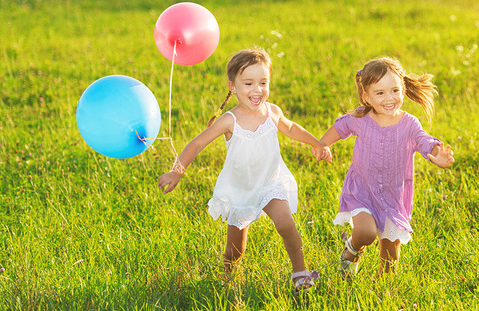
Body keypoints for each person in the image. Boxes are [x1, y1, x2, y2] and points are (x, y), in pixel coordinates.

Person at [158, 47, 331, 294]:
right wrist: (177, 171)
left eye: (263, 82)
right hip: (240, 189)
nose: (257, 89)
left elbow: (291, 128)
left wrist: (317, 143)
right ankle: (229, 281)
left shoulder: (272, 111)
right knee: (234, 249)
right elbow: (197, 143)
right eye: (248, 83)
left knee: (286, 224)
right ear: (233, 86)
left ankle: (300, 273)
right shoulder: (230, 120)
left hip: (270, 183)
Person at [320, 56, 454, 278]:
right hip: (362, 191)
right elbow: (340, 127)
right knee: (366, 233)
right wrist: (322, 144)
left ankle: (384, 293)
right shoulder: (361, 118)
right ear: (367, 97)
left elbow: (423, 140)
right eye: (380, 93)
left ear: (402, 89)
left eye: (394, 90)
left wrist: (437, 154)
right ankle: (351, 251)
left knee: (390, 259)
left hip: (393, 196)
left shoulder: (409, 123)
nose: (389, 98)